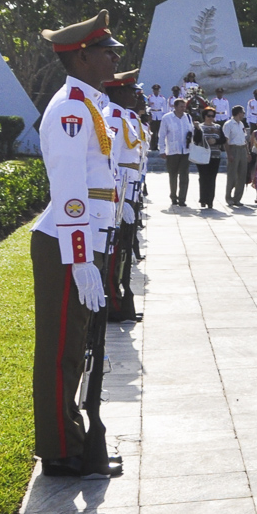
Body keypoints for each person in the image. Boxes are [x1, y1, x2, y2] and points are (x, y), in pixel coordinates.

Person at [31, 9, 123, 478]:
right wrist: (81, 258)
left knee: (76, 344)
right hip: (68, 244)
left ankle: (73, 439)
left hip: (83, 240)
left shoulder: (87, 103)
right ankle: (62, 450)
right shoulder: (71, 106)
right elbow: (69, 190)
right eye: (107, 52)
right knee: (61, 349)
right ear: (83, 56)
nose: (114, 59)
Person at [102, 69, 145, 323]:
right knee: (117, 253)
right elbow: (113, 163)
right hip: (121, 194)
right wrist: (121, 199)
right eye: (131, 90)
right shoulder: (114, 119)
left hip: (129, 191)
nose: (136, 95)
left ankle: (121, 301)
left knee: (124, 252)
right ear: (118, 91)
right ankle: (115, 304)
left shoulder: (122, 118)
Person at [157, 98, 194, 206]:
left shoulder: (188, 117)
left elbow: (191, 132)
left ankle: (182, 199)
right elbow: (162, 135)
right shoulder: (167, 118)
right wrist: (162, 150)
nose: (183, 108)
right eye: (181, 106)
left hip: (185, 150)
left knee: (184, 175)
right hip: (172, 151)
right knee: (173, 175)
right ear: (175, 107)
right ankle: (173, 196)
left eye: (184, 106)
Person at [194, 107, 225, 209]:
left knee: (212, 178)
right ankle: (203, 199)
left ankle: (210, 200)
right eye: (208, 116)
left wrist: (215, 141)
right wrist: (198, 129)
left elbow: (223, 139)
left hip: (214, 156)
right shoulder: (200, 127)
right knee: (203, 177)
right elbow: (196, 139)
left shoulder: (217, 127)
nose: (210, 118)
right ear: (204, 116)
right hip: (202, 155)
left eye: (212, 116)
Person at [223, 104, 248, 207]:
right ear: (238, 113)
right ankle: (229, 197)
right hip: (233, 149)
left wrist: (248, 152)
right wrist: (229, 154)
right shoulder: (228, 124)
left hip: (242, 149)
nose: (243, 114)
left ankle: (237, 198)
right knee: (232, 175)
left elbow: (244, 139)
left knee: (242, 175)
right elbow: (226, 140)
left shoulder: (241, 124)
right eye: (243, 112)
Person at [147, 84, 167, 151]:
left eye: (157, 90)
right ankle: (152, 146)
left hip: (159, 115)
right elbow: (148, 106)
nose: (156, 91)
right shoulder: (150, 97)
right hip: (153, 114)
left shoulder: (162, 98)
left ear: (159, 91)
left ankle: (159, 146)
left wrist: (164, 116)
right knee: (152, 131)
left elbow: (164, 107)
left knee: (159, 132)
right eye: (155, 90)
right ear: (153, 90)